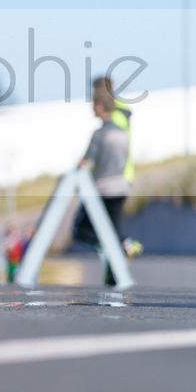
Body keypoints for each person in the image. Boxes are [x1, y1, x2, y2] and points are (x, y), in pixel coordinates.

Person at [71, 85, 141, 285]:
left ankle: (120, 247)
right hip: (122, 187)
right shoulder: (123, 133)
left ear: (100, 106)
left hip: (102, 190)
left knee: (81, 230)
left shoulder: (100, 134)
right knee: (112, 230)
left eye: (93, 105)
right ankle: (114, 277)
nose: (92, 109)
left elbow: (86, 163)